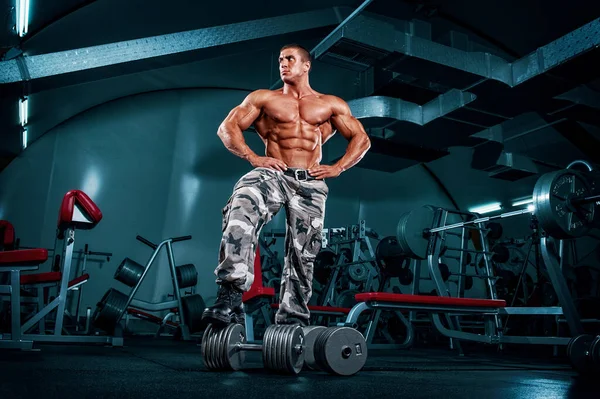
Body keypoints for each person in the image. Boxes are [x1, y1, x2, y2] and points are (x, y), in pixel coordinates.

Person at [201, 44, 371, 328]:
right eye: (280, 59)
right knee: (243, 202)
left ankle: (292, 318)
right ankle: (230, 294)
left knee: (305, 252)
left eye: (290, 59)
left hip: (311, 183)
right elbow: (227, 128)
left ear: (306, 66)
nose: (283, 63)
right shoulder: (264, 99)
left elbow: (361, 139)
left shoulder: (331, 104)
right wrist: (253, 157)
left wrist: (338, 167)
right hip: (274, 173)